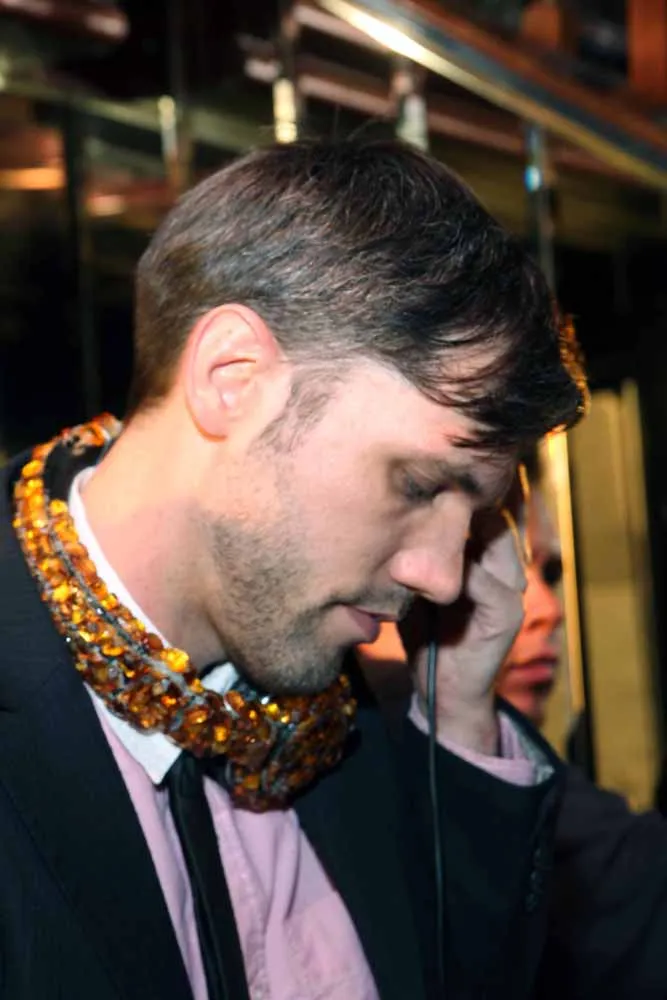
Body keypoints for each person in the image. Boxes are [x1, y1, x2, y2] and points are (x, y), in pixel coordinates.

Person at [0, 138, 583, 1000]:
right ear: (232, 379)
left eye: (472, 517)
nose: (442, 577)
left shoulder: (364, 722)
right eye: (417, 484)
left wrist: (456, 721)